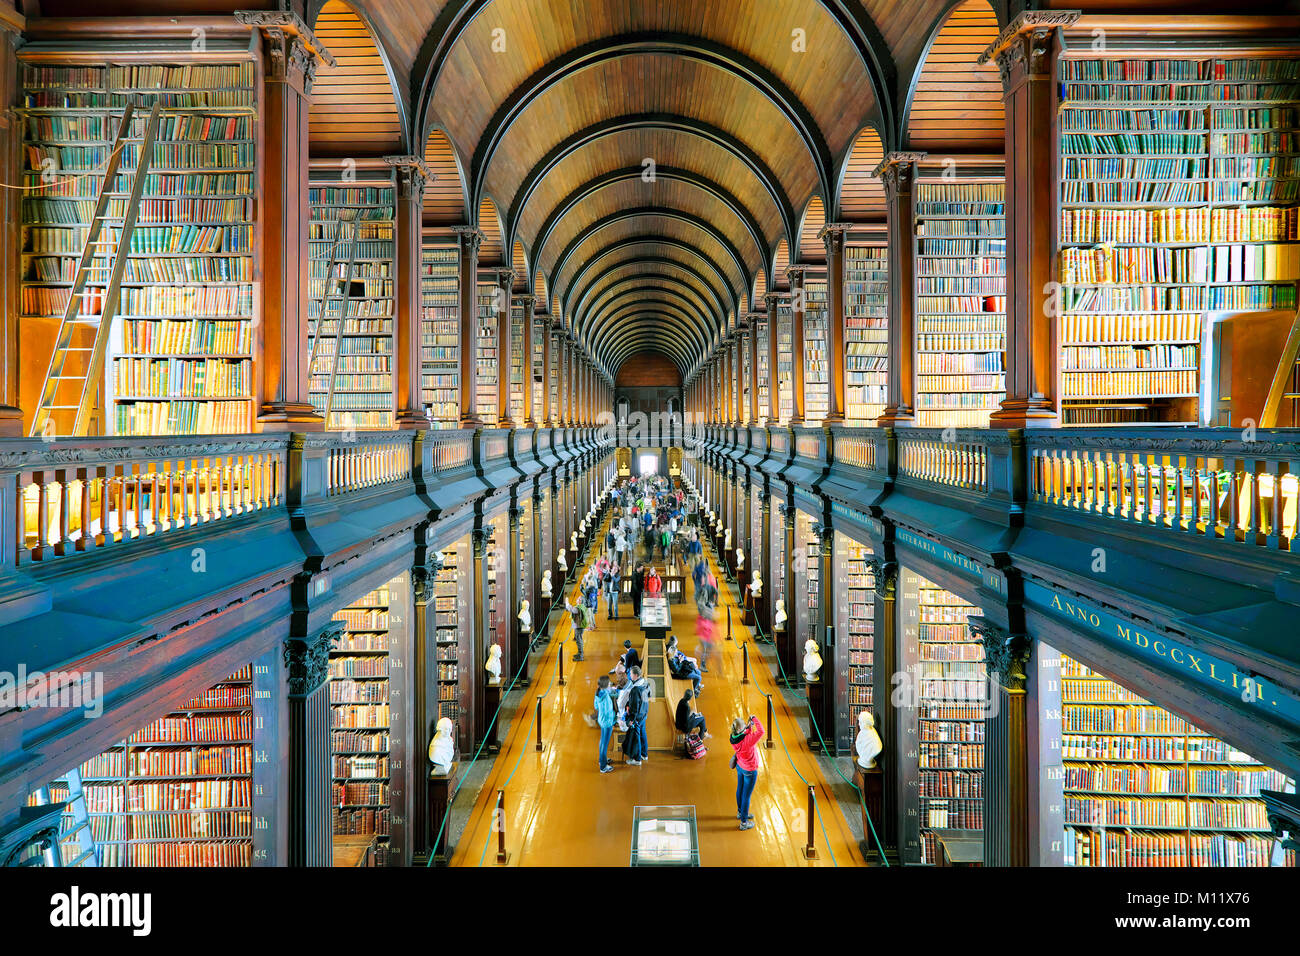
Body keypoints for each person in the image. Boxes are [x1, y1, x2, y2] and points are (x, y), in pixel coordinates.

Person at [731, 714, 764, 830]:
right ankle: (744, 823)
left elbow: (744, 734)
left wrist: (749, 727)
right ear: (740, 729)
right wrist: (755, 718)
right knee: (746, 796)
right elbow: (761, 731)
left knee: (740, 789)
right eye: (744, 725)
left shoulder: (734, 737)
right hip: (750, 770)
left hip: (740, 766)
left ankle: (741, 813)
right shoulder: (748, 741)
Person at [621, 665, 651, 765]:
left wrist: (631, 719)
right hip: (644, 713)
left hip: (637, 716)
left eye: (631, 674)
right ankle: (644, 754)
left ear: (636, 675)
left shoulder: (635, 690)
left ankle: (637, 759)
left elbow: (633, 707)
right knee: (643, 733)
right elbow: (649, 695)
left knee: (636, 737)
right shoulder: (646, 683)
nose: (629, 675)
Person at [595, 675, 615, 773]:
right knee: (605, 743)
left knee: (602, 741)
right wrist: (615, 717)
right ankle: (603, 767)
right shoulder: (606, 697)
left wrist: (610, 689)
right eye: (609, 683)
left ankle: (601, 759)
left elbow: (596, 706)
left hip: (601, 720)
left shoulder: (598, 692)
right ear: (606, 685)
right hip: (607, 722)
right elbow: (608, 711)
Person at [564, 593, 592, 661]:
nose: (577, 599)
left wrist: (567, 602)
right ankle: (579, 653)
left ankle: (581, 655)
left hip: (579, 627)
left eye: (578, 599)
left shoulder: (579, 608)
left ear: (580, 601)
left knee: (579, 641)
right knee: (578, 640)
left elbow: (572, 609)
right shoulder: (581, 606)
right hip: (579, 626)